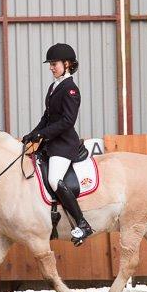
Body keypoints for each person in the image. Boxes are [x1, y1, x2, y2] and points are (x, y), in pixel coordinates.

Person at [22, 43, 94, 245]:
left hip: (64, 144)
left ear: (67, 64)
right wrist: (33, 133)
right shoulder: (54, 86)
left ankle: (82, 224)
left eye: (54, 64)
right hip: (51, 143)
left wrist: (42, 134)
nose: (51, 67)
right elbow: (47, 116)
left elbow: (67, 121)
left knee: (54, 179)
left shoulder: (71, 89)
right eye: (50, 64)